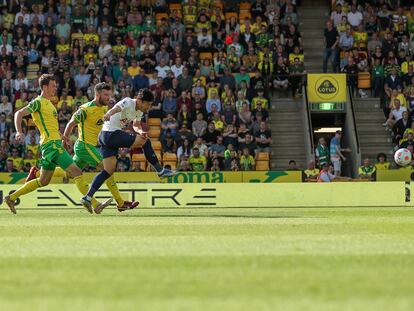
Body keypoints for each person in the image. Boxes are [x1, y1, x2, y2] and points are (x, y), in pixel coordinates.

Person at [4, 74, 107, 214]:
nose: (55, 88)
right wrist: (19, 131)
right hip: (51, 145)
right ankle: (94, 203)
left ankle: (11, 197)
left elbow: (51, 127)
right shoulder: (38, 102)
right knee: (76, 171)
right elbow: (19, 113)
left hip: (51, 144)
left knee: (43, 181)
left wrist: (64, 137)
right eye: (53, 86)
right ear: (45, 87)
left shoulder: (50, 104)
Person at [80, 89, 176, 211]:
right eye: (148, 104)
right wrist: (108, 114)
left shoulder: (139, 111)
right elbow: (117, 109)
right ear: (140, 100)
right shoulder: (128, 101)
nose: (149, 107)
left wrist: (141, 132)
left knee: (107, 172)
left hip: (106, 137)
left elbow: (136, 125)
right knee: (145, 142)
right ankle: (160, 170)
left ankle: (88, 197)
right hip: (111, 134)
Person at [62, 82, 138, 213]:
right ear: (97, 95)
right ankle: (120, 202)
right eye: (106, 95)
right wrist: (64, 142)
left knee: (71, 172)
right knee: (107, 170)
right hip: (84, 146)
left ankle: (38, 173)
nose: (109, 97)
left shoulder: (104, 109)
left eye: (110, 94)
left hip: (90, 146)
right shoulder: (85, 109)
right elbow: (70, 124)